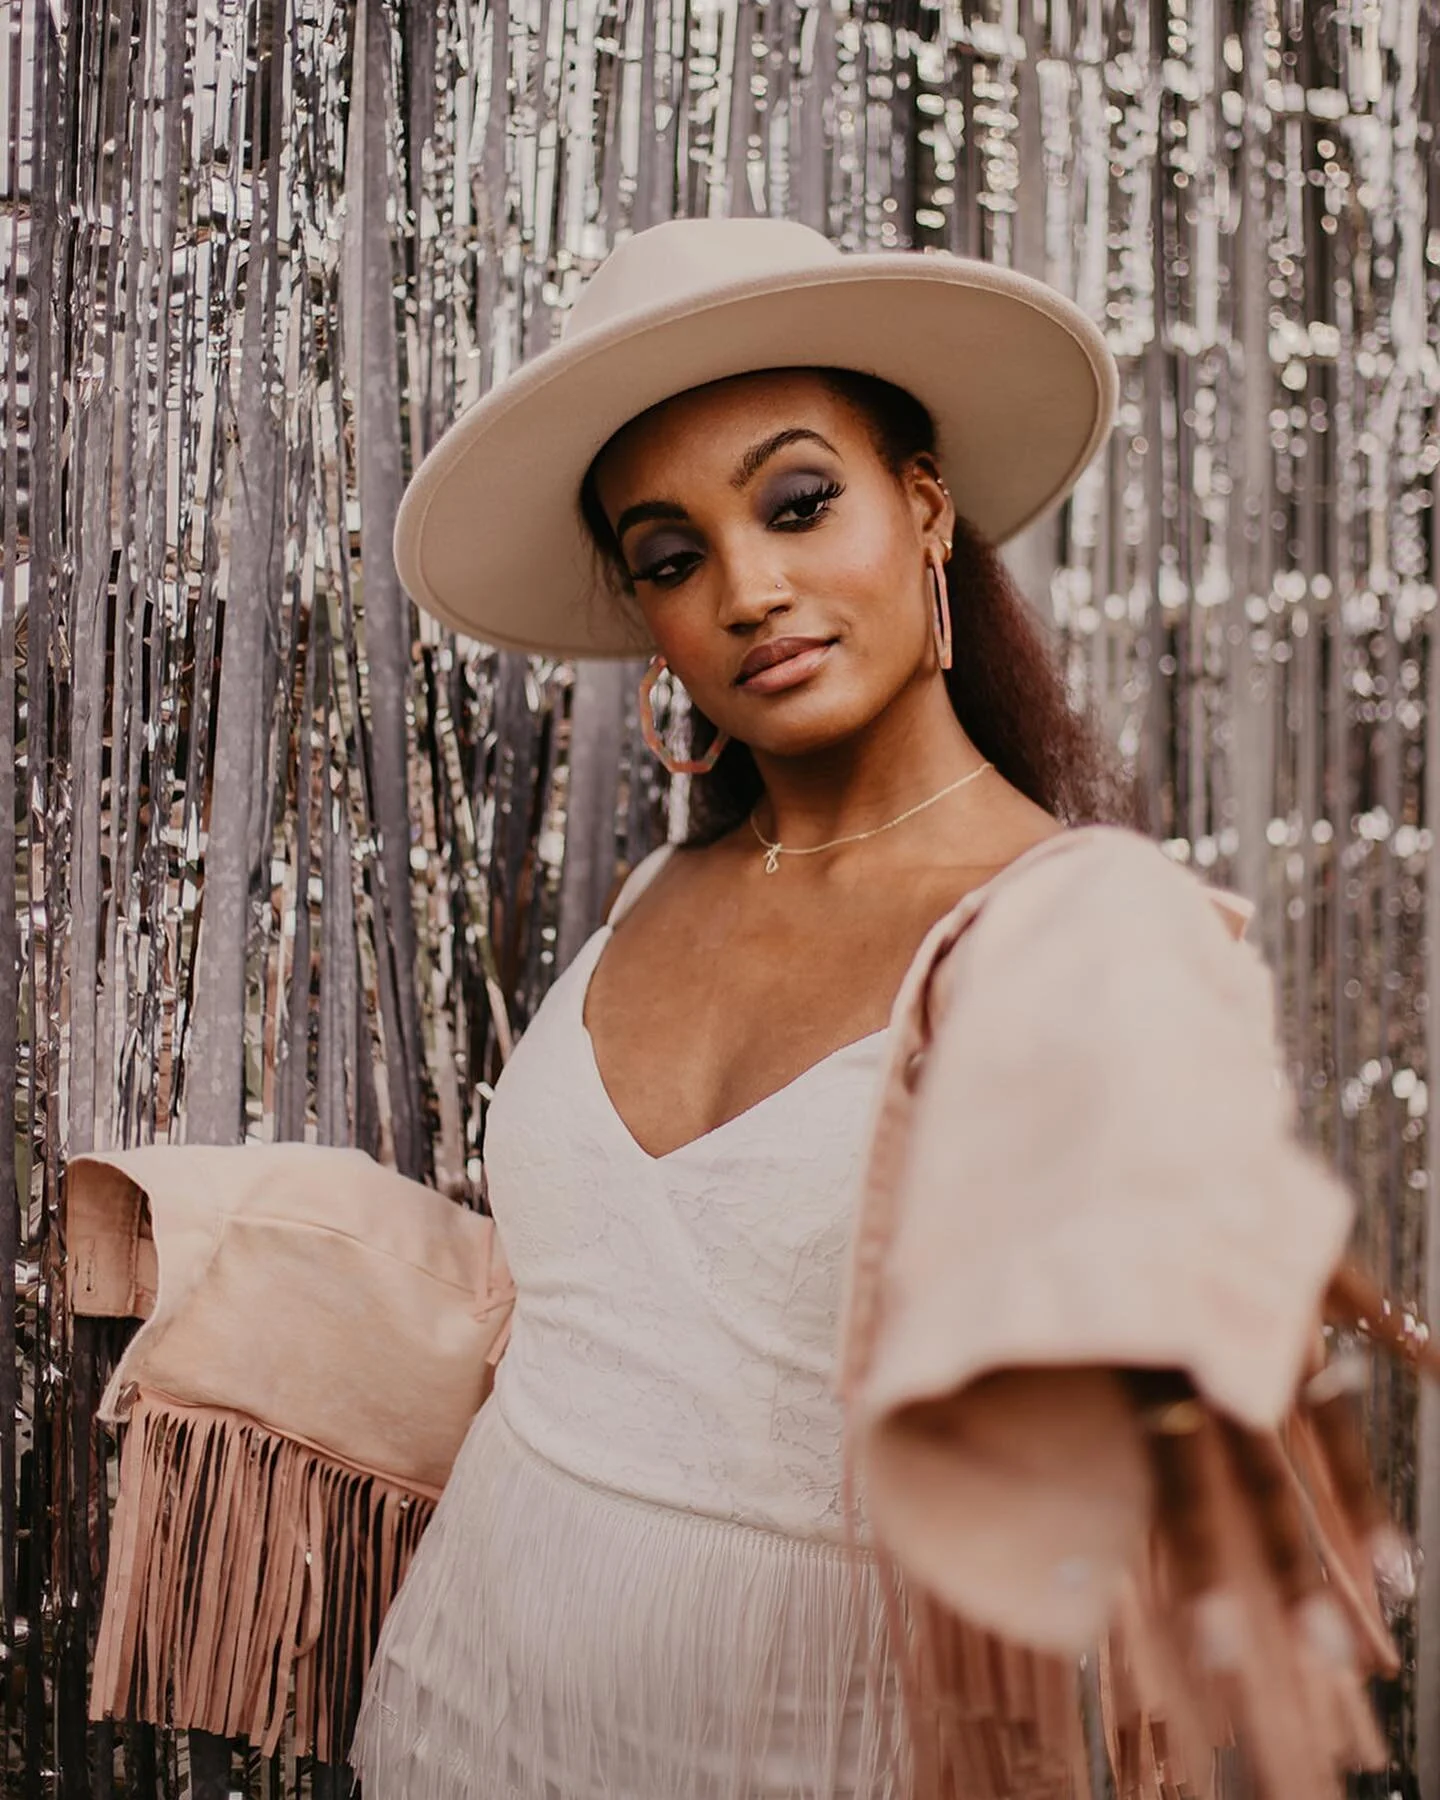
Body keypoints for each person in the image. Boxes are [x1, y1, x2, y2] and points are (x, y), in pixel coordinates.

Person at [340, 218, 1418, 1800]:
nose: (748, 589)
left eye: (796, 502)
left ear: (922, 505)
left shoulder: (1087, 940)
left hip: (824, 1746)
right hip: (456, 1703)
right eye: (670, 554)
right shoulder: (650, 901)